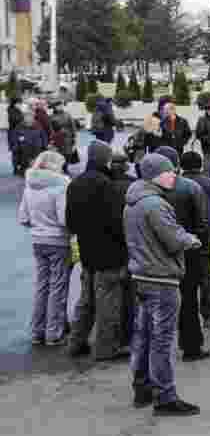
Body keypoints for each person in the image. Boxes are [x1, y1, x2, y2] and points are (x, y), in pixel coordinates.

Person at [125, 153, 203, 415]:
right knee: (163, 340)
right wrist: (190, 239)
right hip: (161, 278)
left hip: (141, 275)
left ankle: (142, 388)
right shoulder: (156, 205)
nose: (174, 175)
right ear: (156, 175)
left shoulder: (133, 202)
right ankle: (165, 396)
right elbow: (172, 238)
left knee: (143, 336)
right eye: (169, 171)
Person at [66, 142, 130, 360]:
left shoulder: (75, 183)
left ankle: (76, 341)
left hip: (87, 250)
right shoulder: (106, 185)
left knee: (86, 300)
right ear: (105, 159)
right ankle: (105, 348)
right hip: (109, 253)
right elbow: (116, 222)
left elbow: (70, 222)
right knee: (108, 303)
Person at [148, 146, 210, 363]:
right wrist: (201, 248)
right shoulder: (190, 188)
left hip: (155, 252)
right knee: (188, 300)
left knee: (154, 303)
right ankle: (191, 345)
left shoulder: (146, 188)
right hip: (187, 251)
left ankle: (157, 349)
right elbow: (203, 223)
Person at [18, 151, 72, 346]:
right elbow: (64, 219)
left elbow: (23, 218)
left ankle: (37, 331)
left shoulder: (30, 185)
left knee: (41, 286)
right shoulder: (61, 186)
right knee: (58, 287)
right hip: (58, 241)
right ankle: (53, 333)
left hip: (37, 241)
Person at [180, 152, 210, 329]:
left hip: (181, 237)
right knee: (206, 277)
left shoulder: (175, 184)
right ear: (200, 165)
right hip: (206, 237)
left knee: (184, 278)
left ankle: (185, 314)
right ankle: (209, 315)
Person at [49, 102, 77, 172]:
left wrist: (74, 136)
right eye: (58, 106)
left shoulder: (67, 114)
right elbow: (51, 128)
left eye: (61, 105)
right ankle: (60, 168)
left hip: (68, 137)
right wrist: (53, 137)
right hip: (58, 137)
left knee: (68, 153)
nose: (60, 107)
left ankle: (66, 167)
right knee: (59, 154)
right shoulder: (52, 116)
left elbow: (72, 125)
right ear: (55, 107)